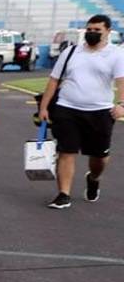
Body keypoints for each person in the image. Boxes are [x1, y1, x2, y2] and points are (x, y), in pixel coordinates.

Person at [36, 15, 124, 209]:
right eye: (89, 30)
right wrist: (44, 107)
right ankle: (63, 194)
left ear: (108, 32)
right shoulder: (71, 52)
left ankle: (94, 178)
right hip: (67, 108)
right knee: (66, 151)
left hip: (100, 112)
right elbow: (54, 80)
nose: (92, 33)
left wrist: (121, 104)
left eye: (97, 30)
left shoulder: (116, 54)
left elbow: (121, 81)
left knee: (99, 156)